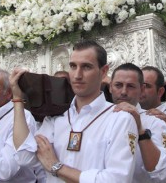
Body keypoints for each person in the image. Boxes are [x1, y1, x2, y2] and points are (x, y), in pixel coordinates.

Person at [11, 40, 138, 182]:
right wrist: (17, 99)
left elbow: (117, 179)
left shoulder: (120, 119)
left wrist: (57, 167)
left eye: (86, 67)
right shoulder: (57, 115)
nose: (77, 75)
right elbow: (24, 157)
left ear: (103, 72)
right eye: (73, 66)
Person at [109, 63, 166, 182]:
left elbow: (164, 173)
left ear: (142, 89)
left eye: (130, 86)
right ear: (110, 87)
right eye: (118, 85)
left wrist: (141, 132)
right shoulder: (101, 118)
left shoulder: (155, 122)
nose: (123, 91)